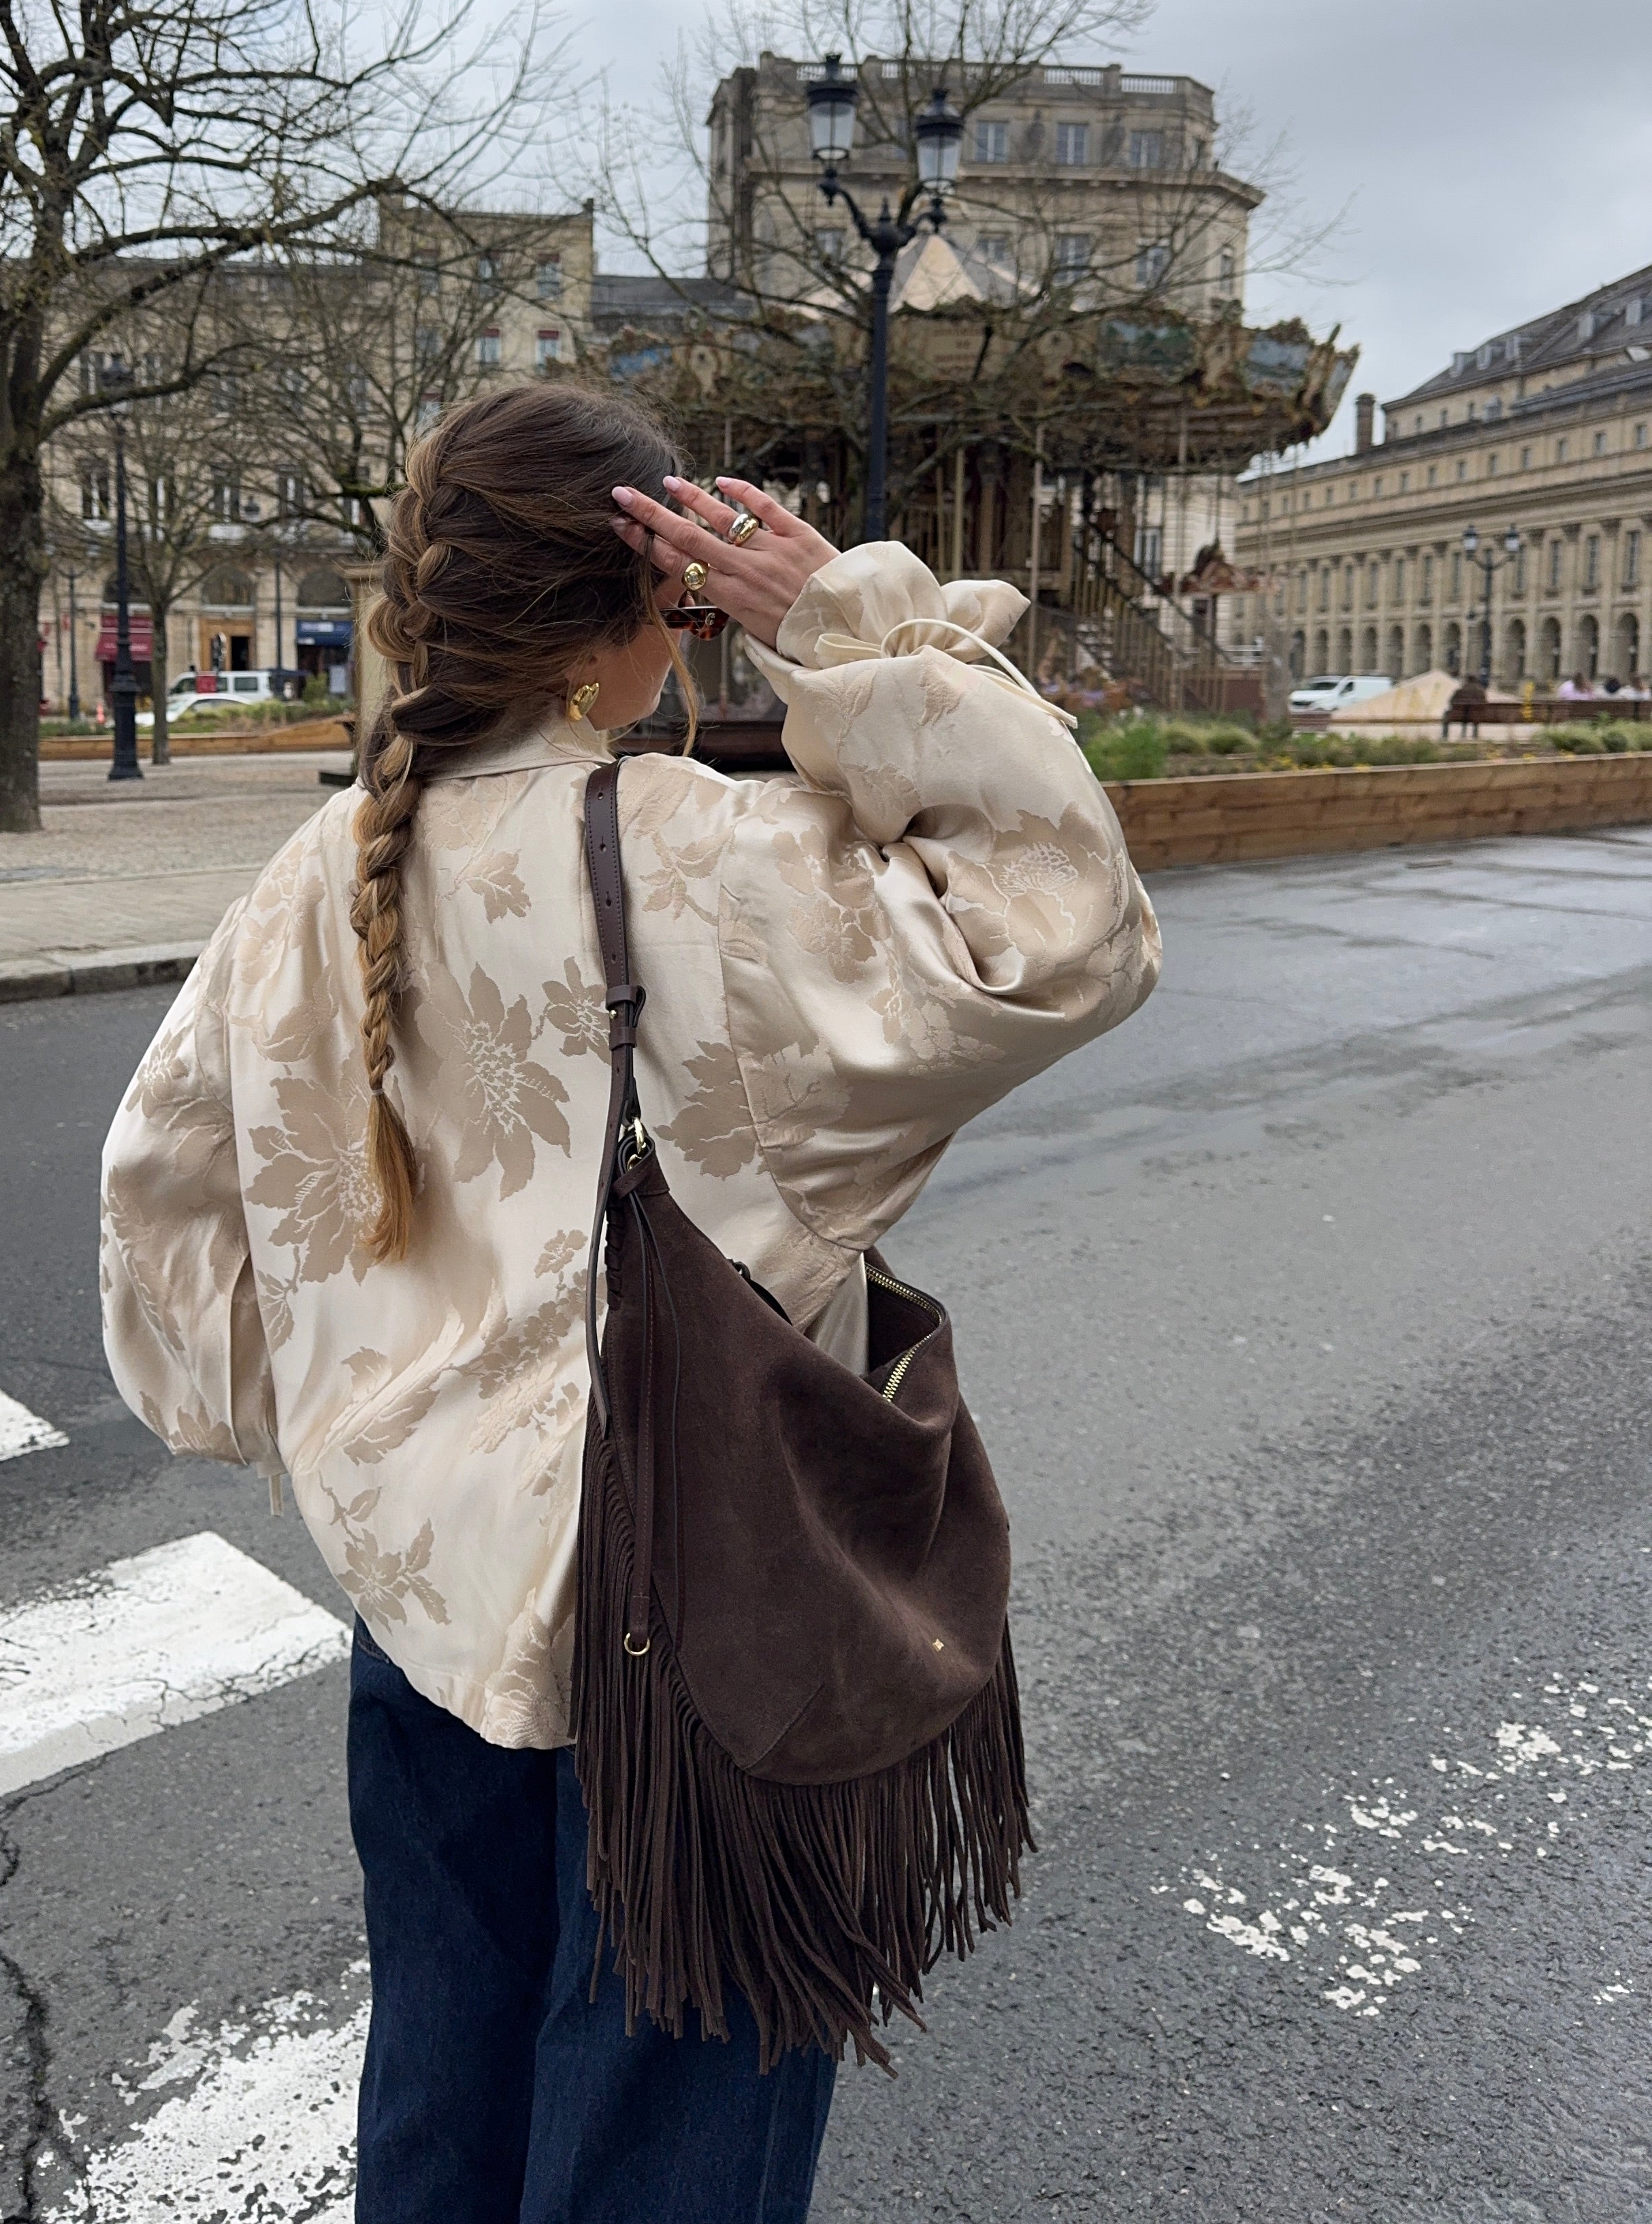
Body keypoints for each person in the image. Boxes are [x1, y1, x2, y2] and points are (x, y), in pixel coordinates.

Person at [99, 381, 1161, 2223]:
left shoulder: (312, 872)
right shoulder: (708, 863)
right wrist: (850, 624)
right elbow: (1066, 929)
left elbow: (164, 1201)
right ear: (645, 617)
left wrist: (338, 1419)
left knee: (443, 2073)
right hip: (697, 1612)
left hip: (423, 1602)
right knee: (663, 2126)